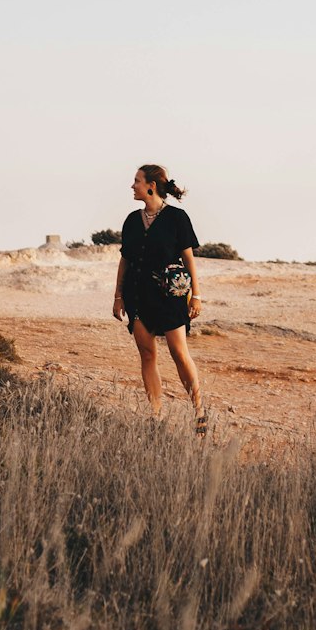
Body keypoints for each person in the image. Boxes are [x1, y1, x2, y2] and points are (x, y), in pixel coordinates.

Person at [112, 165, 208, 435]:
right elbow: (125, 259)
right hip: (138, 295)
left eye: (137, 181)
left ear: (151, 185)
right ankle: (155, 416)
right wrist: (118, 296)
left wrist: (196, 296)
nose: (133, 186)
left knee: (179, 353)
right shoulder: (132, 220)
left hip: (170, 296)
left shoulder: (177, 218)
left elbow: (188, 258)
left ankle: (199, 410)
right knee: (147, 354)